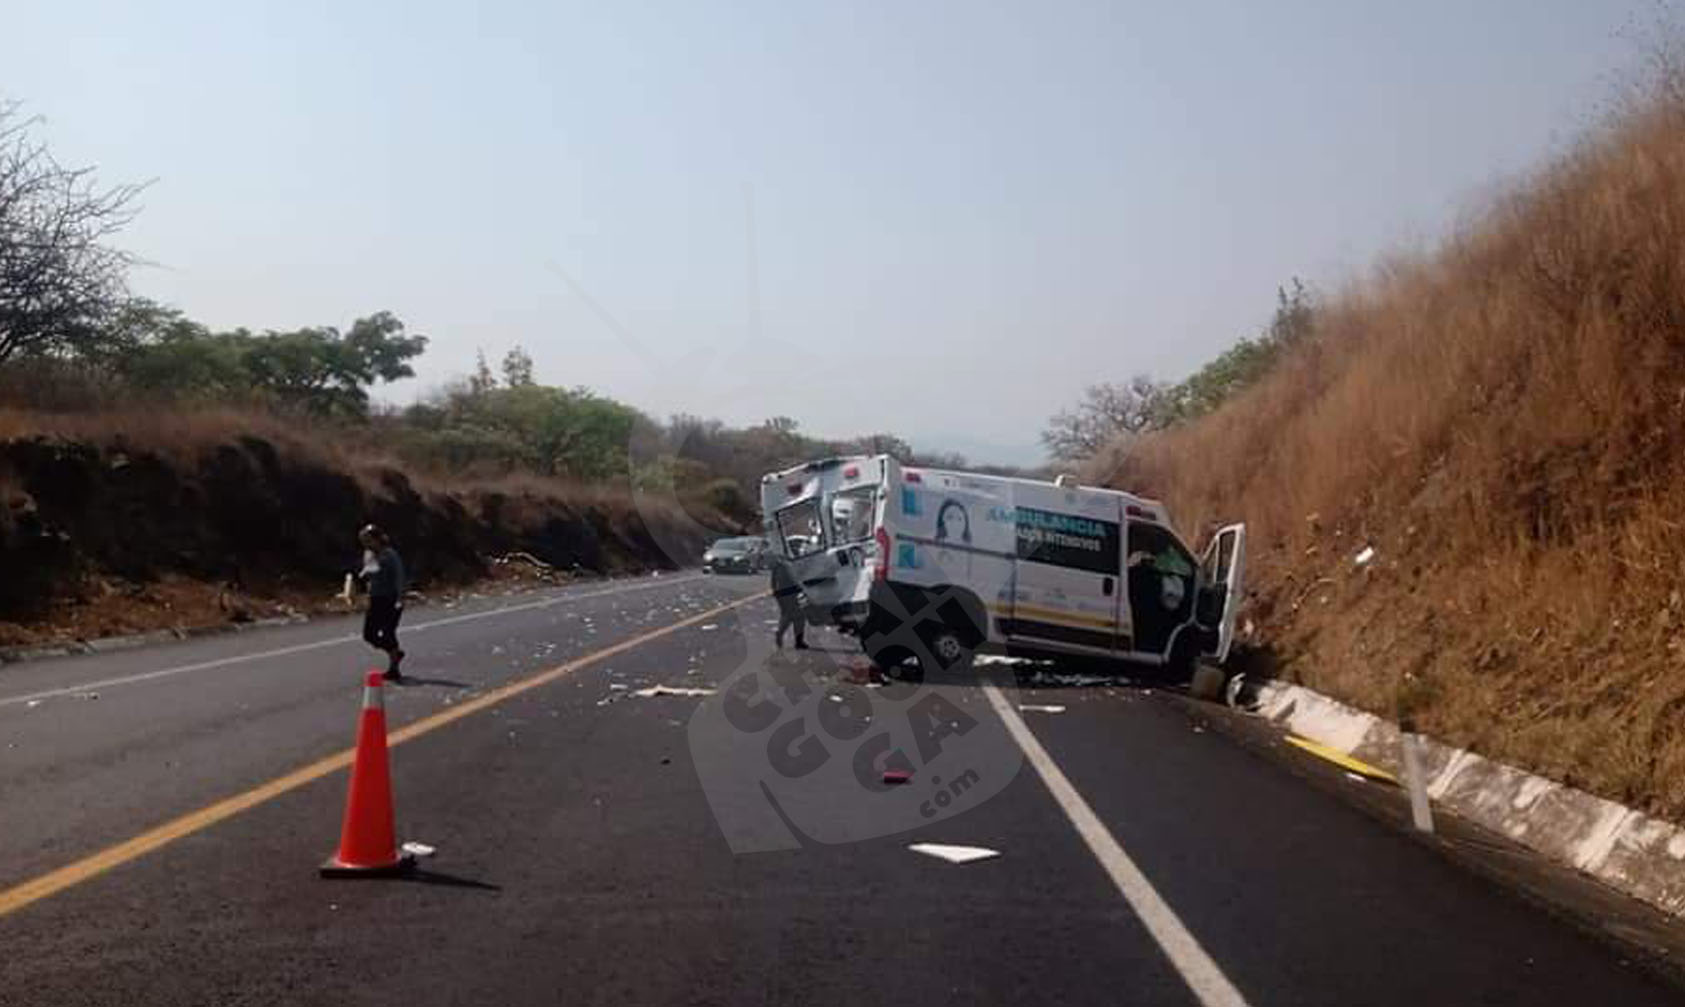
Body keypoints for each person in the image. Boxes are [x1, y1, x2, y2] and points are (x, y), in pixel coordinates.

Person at [356, 524, 407, 680]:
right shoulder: (369, 555)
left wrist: (400, 598)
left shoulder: (390, 555)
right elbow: (368, 574)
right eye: (363, 541)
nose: (366, 544)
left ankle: (394, 668)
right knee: (369, 634)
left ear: (377, 539)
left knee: (388, 632)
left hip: (390, 599)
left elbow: (399, 577)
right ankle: (395, 652)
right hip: (375, 598)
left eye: (368, 540)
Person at [770, 555, 808, 650]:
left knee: (795, 615)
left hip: (786, 592)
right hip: (789, 592)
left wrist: (775, 591)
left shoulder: (780, 565)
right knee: (793, 615)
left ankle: (797, 640)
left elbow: (773, 580)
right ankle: (787, 636)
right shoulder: (786, 565)